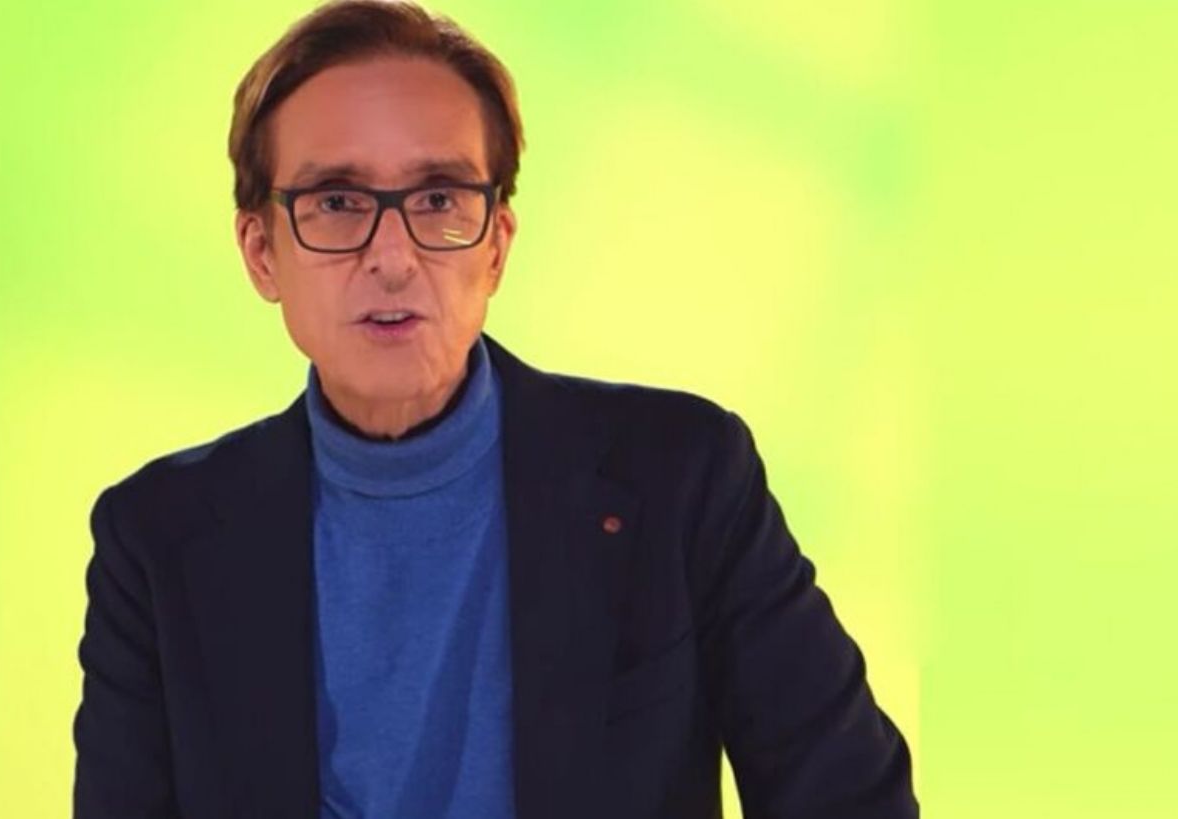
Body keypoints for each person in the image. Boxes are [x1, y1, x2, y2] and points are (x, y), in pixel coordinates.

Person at [71, 1, 920, 817]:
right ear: (261, 252)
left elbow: (850, 797)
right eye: (337, 202)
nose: (393, 257)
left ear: (497, 248)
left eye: (439, 199)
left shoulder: (683, 478)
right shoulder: (156, 538)